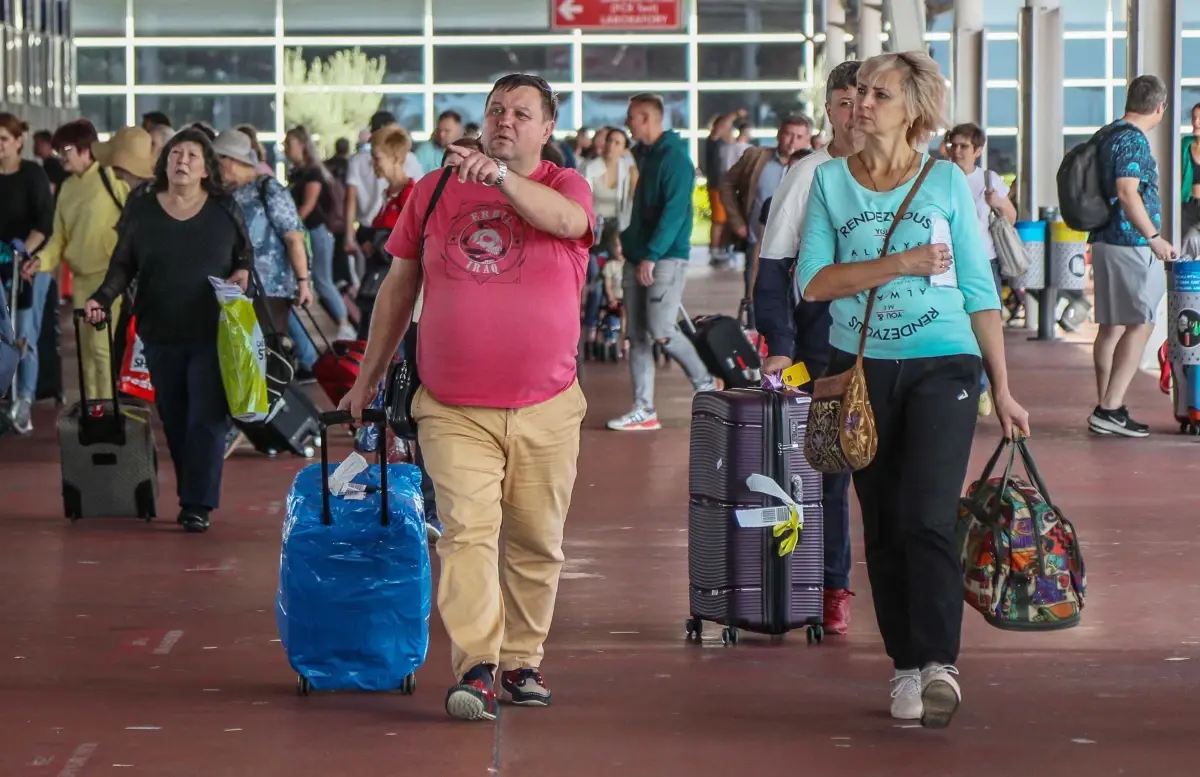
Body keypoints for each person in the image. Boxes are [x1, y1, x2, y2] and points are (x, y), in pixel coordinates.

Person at [339, 73, 593, 722]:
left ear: (547, 129)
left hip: (547, 404)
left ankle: (522, 660)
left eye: (521, 113)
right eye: (495, 109)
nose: (505, 120)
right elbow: (397, 289)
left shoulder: (565, 185)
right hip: (452, 405)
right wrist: (366, 377)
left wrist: (500, 179)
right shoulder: (433, 190)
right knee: (467, 534)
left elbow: (567, 222)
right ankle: (476, 666)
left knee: (538, 540)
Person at [795, 51, 1030, 729]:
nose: (863, 103)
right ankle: (903, 664)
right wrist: (896, 263)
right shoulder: (832, 183)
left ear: (914, 112)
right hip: (859, 370)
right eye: (860, 92)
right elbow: (813, 281)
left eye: (880, 95)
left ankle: (938, 663)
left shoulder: (948, 183)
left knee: (926, 514)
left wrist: (1003, 388)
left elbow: (980, 291)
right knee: (884, 524)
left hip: (944, 365)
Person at [84, 127, 253, 534]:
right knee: (175, 418)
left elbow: (244, 254)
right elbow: (123, 264)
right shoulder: (142, 209)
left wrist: (244, 272)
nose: (182, 161)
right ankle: (191, 490)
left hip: (213, 332)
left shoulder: (224, 208)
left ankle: (198, 503)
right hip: (159, 329)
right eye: (176, 153)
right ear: (164, 162)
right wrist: (101, 299)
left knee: (205, 418)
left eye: (193, 156)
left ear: (205, 168)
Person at [754, 59, 863, 637]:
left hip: (902, 343)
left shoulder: (914, 174)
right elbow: (772, 268)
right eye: (843, 103)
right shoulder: (808, 175)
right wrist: (779, 345)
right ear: (829, 110)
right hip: (822, 345)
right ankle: (831, 584)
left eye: (864, 101)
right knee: (830, 469)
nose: (855, 114)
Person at [606, 93, 716, 432]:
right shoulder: (644, 155)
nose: (627, 124)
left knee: (662, 330)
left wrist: (652, 255)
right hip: (640, 254)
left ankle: (706, 386)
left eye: (632, 118)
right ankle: (644, 409)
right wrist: (628, 242)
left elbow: (673, 214)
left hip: (665, 257)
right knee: (638, 336)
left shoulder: (675, 160)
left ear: (647, 119)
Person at [1087, 75, 1175, 437]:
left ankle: (1108, 405)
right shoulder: (1133, 141)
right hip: (1129, 244)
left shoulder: (1105, 134)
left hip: (1105, 239)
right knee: (1142, 322)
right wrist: (1153, 237)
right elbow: (1127, 192)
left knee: (1110, 326)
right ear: (1159, 107)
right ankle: (1109, 408)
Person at [25, 120, 128, 402]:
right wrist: (40, 261)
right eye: (59, 150)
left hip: (110, 279)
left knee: (101, 349)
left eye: (66, 149)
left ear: (87, 150)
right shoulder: (67, 188)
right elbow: (58, 238)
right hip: (82, 280)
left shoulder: (112, 178)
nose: (62, 156)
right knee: (86, 352)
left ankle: (107, 410)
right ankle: (93, 410)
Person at [944, 122, 1018, 417]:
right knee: (956, 323)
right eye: (954, 145)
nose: (958, 151)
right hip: (948, 262)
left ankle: (984, 385)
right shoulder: (942, 176)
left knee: (986, 323)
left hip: (984, 261)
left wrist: (997, 202)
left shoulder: (988, 179)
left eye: (964, 146)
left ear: (977, 150)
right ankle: (968, 384)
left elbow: (1011, 217)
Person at [0, 113, 53, 434]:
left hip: (28, 261)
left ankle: (24, 398)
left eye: (3, 139)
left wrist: (25, 253)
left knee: (25, 331)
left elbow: (45, 220)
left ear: (19, 141)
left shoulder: (32, 174)